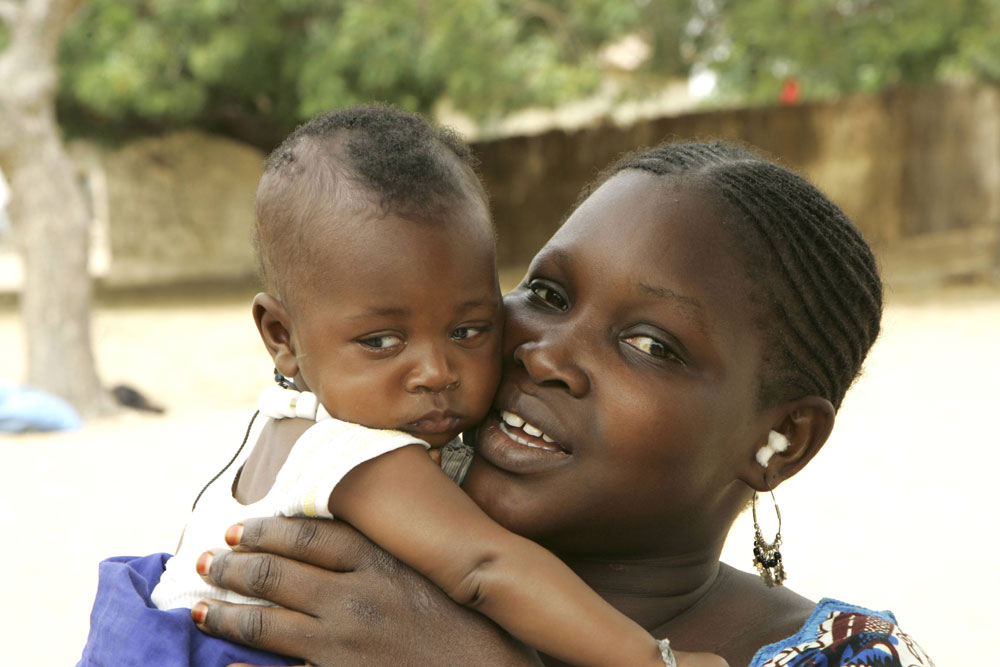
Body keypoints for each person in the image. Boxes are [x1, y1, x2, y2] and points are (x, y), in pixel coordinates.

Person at [185, 141, 937, 666]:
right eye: (546, 293)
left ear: (780, 438)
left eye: (649, 344)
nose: (542, 352)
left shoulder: (844, 656)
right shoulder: (344, 553)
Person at [79, 107, 718, 667]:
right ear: (282, 336)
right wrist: (651, 659)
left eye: (469, 329)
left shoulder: (286, 421)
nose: (435, 372)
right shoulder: (354, 455)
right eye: (382, 341)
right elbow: (484, 568)